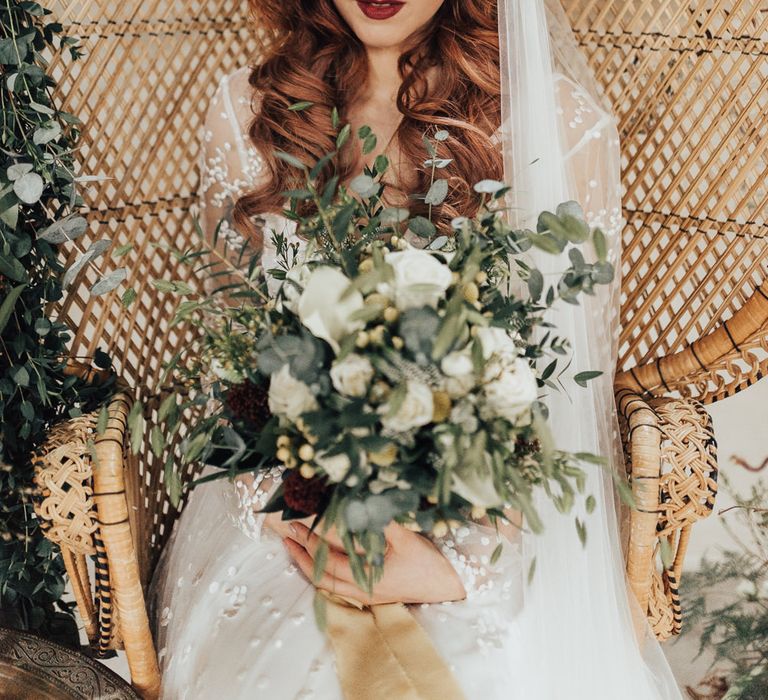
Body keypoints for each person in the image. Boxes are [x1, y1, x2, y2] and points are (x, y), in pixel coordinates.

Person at [150, 1, 683, 698]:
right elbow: (239, 372)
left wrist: (464, 567)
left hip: (494, 518)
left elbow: (562, 407)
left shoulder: (557, 124)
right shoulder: (249, 112)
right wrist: (316, 511)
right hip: (287, 512)